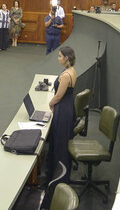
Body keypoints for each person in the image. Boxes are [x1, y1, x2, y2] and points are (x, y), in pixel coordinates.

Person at [46, 46, 77, 193]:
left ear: (66, 58)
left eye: (60, 56)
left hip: (63, 111)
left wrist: (50, 103)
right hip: (67, 108)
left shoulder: (65, 75)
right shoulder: (72, 71)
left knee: (59, 144)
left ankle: (58, 180)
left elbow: (58, 96)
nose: (58, 58)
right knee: (62, 142)